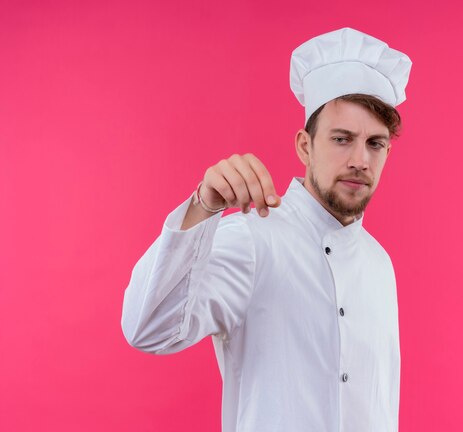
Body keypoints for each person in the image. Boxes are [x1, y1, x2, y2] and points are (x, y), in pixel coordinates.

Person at [121, 27, 412, 432]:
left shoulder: (380, 264)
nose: (360, 160)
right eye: (342, 139)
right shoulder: (253, 237)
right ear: (305, 146)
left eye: (375, 143)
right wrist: (204, 205)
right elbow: (149, 329)